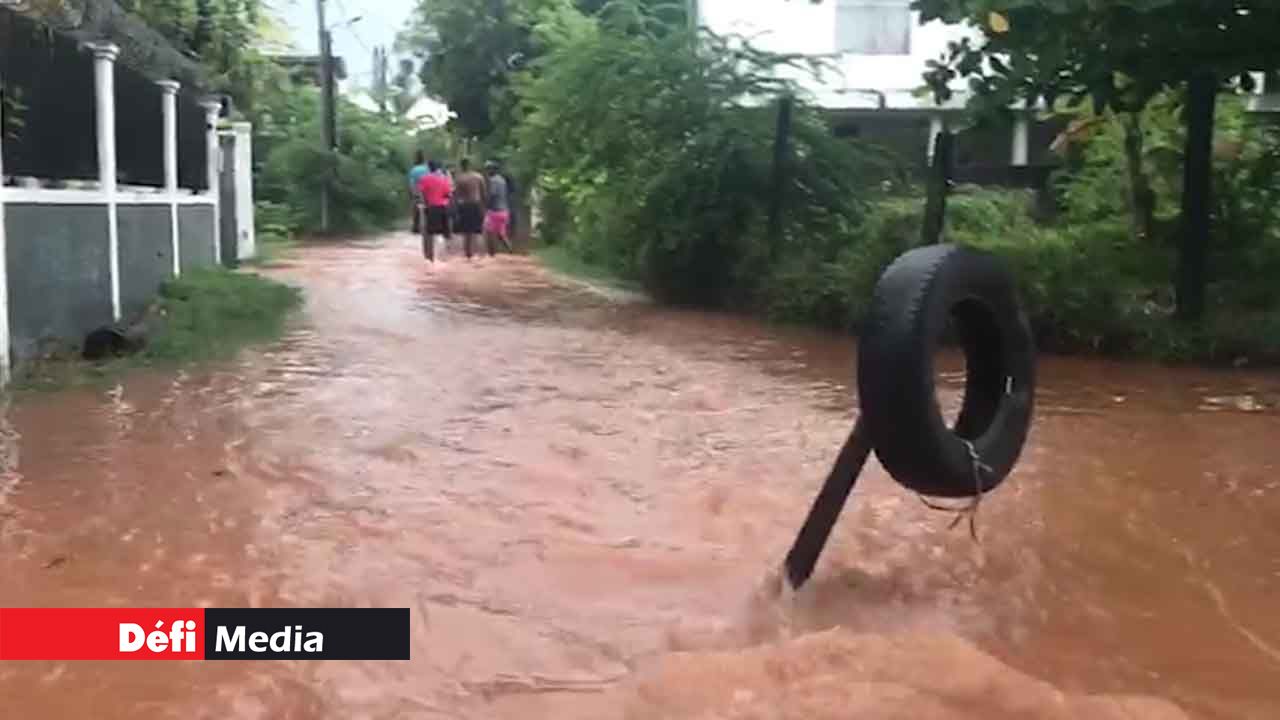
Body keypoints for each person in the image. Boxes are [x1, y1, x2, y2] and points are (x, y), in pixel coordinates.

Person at [418, 159, 453, 262]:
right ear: (438, 168)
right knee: (444, 233)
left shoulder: (424, 179)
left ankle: (430, 258)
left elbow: (421, 195)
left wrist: (424, 205)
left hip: (430, 208)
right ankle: (443, 257)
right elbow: (448, 194)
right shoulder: (444, 179)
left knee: (429, 234)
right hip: (443, 207)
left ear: (429, 168)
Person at [453, 158, 488, 260]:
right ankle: (479, 253)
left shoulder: (459, 178)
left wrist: (455, 209)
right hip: (476, 204)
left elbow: (456, 195)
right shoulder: (479, 177)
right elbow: (484, 194)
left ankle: (468, 253)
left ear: (461, 166)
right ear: (470, 165)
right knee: (477, 230)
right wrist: (484, 207)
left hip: (464, 205)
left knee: (466, 231)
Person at [483, 161, 514, 254]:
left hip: (494, 210)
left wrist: (486, 204)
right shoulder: (502, 180)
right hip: (504, 210)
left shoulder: (493, 180)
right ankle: (510, 249)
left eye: (489, 169)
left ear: (493, 170)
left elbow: (492, 194)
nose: (487, 171)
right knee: (501, 234)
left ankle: (491, 253)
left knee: (488, 231)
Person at [407, 151, 430, 234]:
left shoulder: (413, 170)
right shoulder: (427, 169)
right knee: (428, 209)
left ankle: (415, 226)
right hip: (427, 192)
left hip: (417, 192)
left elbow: (411, 183)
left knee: (414, 207)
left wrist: (412, 194)